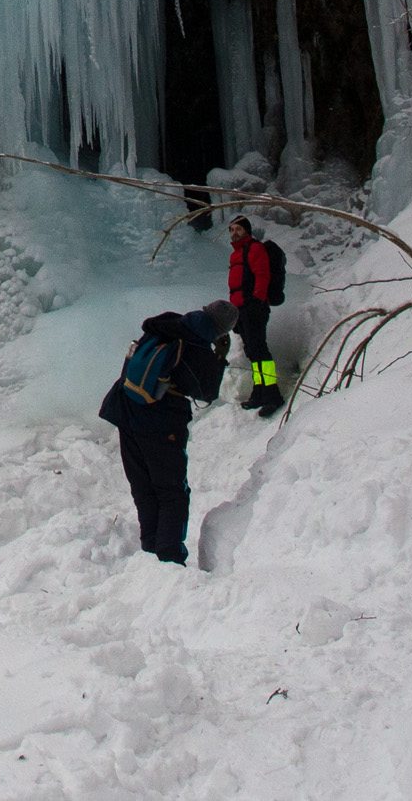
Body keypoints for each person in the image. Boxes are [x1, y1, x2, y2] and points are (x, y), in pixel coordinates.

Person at [95, 300, 231, 564]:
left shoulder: (166, 325)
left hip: (125, 409)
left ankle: (150, 548)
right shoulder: (196, 346)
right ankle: (169, 557)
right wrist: (219, 357)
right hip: (161, 423)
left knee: (143, 485)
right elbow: (206, 392)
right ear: (221, 331)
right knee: (172, 491)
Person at [228, 215, 290, 415]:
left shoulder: (254, 249)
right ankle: (259, 390)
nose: (234, 233)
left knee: (260, 352)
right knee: (253, 353)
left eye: (238, 229)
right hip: (241, 310)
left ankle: (272, 394)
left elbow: (262, 275)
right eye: (232, 229)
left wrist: (257, 301)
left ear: (247, 230)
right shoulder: (236, 254)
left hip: (254, 307)